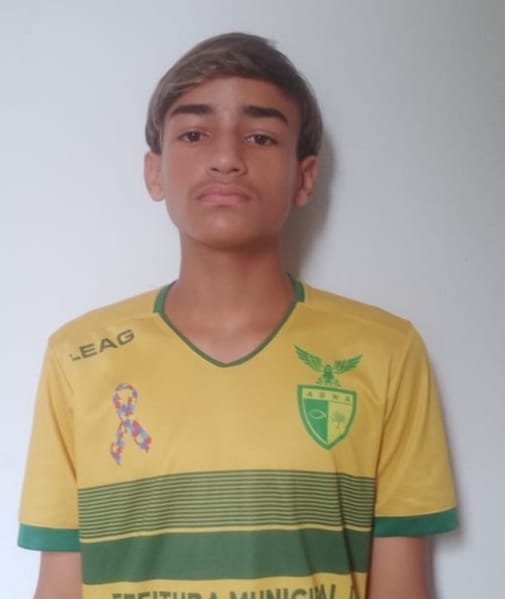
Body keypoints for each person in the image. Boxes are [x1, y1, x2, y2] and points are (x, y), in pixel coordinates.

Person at [18, 32, 457, 599]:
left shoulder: (386, 352)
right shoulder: (78, 358)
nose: (226, 158)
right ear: (155, 172)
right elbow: (60, 583)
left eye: (260, 136)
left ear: (304, 177)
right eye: (194, 134)